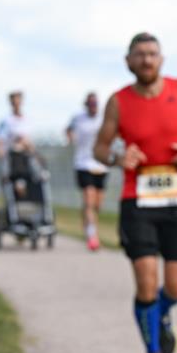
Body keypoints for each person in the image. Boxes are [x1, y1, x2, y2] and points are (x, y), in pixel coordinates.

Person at [94, 32, 177, 353]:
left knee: (176, 287)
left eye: (152, 54)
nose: (147, 60)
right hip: (139, 199)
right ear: (128, 61)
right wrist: (118, 157)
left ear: (161, 59)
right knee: (147, 284)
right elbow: (101, 148)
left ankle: (162, 317)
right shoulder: (118, 101)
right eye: (140, 55)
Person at [66, 92, 109, 250]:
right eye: (90, 104)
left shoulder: (104, 118)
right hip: (83, 164)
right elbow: (68, 130)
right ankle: (92, 236)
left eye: (95, 104)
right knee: (89, 200)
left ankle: (88, 225)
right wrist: (71, 138)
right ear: (86, 105)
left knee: (97, 204)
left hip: (101, 165)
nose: (93, 107)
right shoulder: (78, 118)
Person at [0, 91, 31, 157]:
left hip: (24, 157)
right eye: (14, 102)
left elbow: (28, 141)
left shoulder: (26, 120)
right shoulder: (5, 120)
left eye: (18, 101)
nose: (16, 104)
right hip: (10, 157)